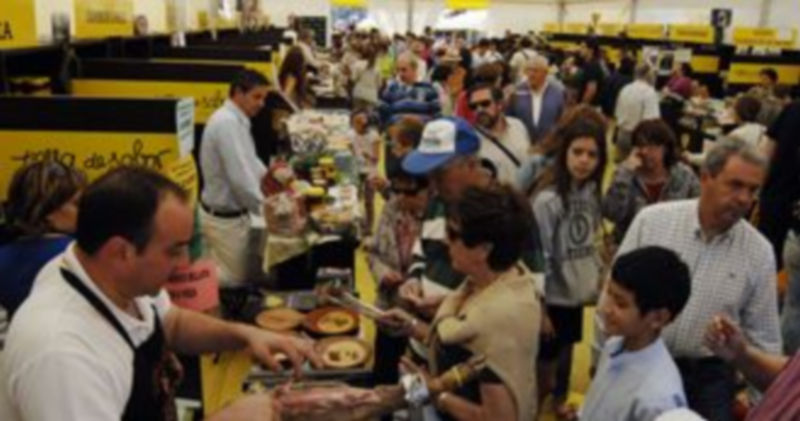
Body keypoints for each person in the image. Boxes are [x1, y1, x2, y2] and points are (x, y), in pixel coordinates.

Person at [0, 167, 319, 421]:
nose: (183, 263)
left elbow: (170, 322)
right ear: (121, 251)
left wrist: (246, 335)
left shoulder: (110, 274)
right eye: (173, 251)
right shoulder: (61, 355)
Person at [600, 138, 781, 421]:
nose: (745, 199)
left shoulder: (759, 253)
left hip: (708, 382)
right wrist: (602, 356)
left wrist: (762, 408)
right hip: (638, 361)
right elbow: (613, 293)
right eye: (735, 185)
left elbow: (765, 339)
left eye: (752, 190)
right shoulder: (652, 221)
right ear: (705, 177)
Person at [379, 184, 541, 421]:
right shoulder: (492, 282)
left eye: (454, 234)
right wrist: (412, 326)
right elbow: (464, 351)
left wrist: (432, 392)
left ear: (484, 249)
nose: (446, 240)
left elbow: (498, 418)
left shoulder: (497, 318)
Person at [530, 105, 608, 418]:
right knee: (543, 372)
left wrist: (599, 271)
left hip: (575, 296)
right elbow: (539, 258)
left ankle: (558, 404)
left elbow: (589, 239)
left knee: (566, 355)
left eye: (592, 154)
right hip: (551, 299)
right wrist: (542, 309)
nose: (584, 161)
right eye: (577, 152)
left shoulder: (590, 190)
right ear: (565, 152)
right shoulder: (548, 200)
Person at [580, 247, 691, 421]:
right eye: (609, 293)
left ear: (658, 318)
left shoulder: (659, 399)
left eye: (621, 303)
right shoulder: (613, 345)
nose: (607, 308)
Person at [199, 69, 270, 286]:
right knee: (233, 279)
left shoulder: (237, 120)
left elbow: (249, 159)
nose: (261, 104)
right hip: (224, 219)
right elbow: (240, 179)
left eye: (264, 98)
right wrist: (269, 211)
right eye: (257, 97)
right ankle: (191, 283)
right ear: (239, 92)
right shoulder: (227, 123)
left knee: (230, 271)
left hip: (229, 216)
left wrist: (271, 177)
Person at [366, 166, 430, 390]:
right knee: (384, 374)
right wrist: (383, 274)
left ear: (428, 190)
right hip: (390, 308)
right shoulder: (391, 209)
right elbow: (373, 252)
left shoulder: (438, 220)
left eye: (409, 193)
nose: (401, 197)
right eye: (398, 191)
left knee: (415, 385)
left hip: (423, 319)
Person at [0, 161, 86, 318]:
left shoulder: (4, 255)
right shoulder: (78, 256)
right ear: (47, 210)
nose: (87, 209)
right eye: (78, 203)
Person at [602, 120, 700, 245]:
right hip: (630, 245)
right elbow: (611, 213)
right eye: (641, 145)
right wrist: (625, 174)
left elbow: (698, 209)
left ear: (665, 148)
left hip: (671, 245)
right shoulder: (625, 174)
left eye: (652, 146)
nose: (645, 151)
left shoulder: (684, 175)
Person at [469, 83, 530, 188]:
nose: (479, 110)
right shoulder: (472, 141)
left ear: (500, 104)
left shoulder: (518, 125)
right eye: (473, 106)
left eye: (485, 103)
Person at [507, 55, 566, 146]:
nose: (531, 74)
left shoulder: (557, 93)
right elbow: (509, 118)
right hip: (521, 144)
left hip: (548, 146)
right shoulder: (516, 91)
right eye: (528, 70)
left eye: (535, 71)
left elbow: (561, 120)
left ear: (545, 73)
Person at [614, 62, 660, 160]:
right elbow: (651, 121)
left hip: (622, 135)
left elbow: (617, 113)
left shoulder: (625, 89)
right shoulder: (649, 92)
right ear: (648, 75)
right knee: (639, 172)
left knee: (623, 170)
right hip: (638, 139)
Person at [378, 51, 440, 124]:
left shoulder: (428, 88)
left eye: (404, 70)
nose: (400, 74)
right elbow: (382, 113)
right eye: (398, 70)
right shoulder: (392, 88)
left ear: (414, 69)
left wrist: (417, 120)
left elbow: (437, 116)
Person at [350, 44, 382, 109]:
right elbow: (379, 84)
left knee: (357, 115)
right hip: (371, 95)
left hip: (359, 93)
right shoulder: (377, 67)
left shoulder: (357, 64)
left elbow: (353, 79)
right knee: (368, 117)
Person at [578, 41, 606, 106]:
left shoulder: (592, 65)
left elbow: (591, 90)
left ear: (591, 50)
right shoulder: (588, 64)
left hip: (590, 107)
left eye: (583, 47)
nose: (580, 49)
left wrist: (581, 107)